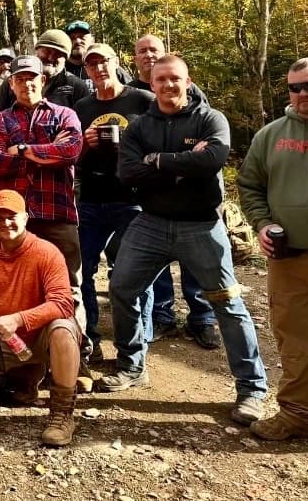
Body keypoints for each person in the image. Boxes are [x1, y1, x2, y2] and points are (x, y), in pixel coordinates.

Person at [104, 55, 268, 427]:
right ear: (151, 84)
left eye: (174, 79)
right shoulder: (139, 126)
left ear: (188, 80)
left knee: (227, 303)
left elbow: (212, 160)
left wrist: (158, 161)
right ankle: (132, 365)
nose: (168, 85)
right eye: (160, 79)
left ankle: (252, 388)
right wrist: (182, 165)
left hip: (201, 226)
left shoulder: (210, 119)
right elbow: (128, 172)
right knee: (122, 288)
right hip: (151, 222)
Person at [238, 57, 308, 441]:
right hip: (289, 259)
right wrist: (262, 224)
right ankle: (299, 416)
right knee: (294, 342)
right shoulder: (271, 134)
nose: (303, 94)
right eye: (295, 88)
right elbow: (250, 185)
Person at [0, 190, 80, 447]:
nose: (5, 223)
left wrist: (19, 319)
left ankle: (62, 413)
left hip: (44, 334)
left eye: (11, 216)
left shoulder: (46, 252)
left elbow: (63, 303)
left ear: (25, 218)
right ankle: (24, 375)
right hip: (11, 342)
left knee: (63, 330)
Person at [0, 55, 85, 329]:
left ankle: (77, 351)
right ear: (12, 83)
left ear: (43, 80)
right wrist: (48, 151)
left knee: (68, 285)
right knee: (20, 285)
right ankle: (29, 356)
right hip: (15, 220)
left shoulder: (65, 114)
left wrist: (21, 150)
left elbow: (71, 151)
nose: (26, 83)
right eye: (20, 78)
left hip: (57, 213)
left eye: (31, 78)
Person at [130, 33, 216, 345]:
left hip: (194, 197)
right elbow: (130, 160)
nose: (149, 55)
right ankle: (163, 315)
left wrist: (177, 161)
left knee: (196, 264)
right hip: (149, 194)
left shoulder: (193, 94)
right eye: (142, 51)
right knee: (158, 262)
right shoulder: (131, 91)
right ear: (136, 59)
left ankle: (202, 317)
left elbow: (207, 148)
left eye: (154, 49)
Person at [72, 44, 155, 360]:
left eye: (104, 62)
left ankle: (140, 335)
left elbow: (157, 146)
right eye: (92, 65)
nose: (99, 69)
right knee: (83, 271)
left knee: (131, 272)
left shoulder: (142, 101)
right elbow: (71, 156)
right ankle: (90, 335)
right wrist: (85, 142)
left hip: (132, 199)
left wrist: (128, 143)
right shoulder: (82, 107)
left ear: (116, 62)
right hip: (92, 197)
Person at [29, 30, 91, 109]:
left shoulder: (76, 86)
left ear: (66, 59)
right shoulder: (18, 81)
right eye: (46, 51)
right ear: (37, 52)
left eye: (58, 54)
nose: (51, 58)